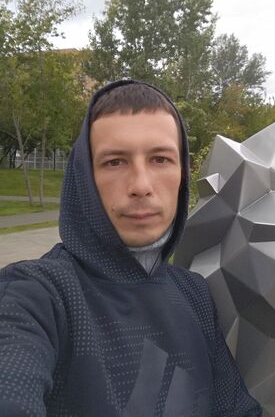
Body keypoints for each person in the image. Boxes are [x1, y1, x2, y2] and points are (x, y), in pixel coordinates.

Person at [0, 80, 261, 416]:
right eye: (115, 162)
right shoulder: (36, 295)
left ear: (182, 174)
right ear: (85, 177)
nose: (141, 185)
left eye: (160, 159)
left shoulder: (194, 294)